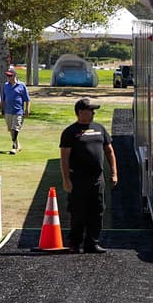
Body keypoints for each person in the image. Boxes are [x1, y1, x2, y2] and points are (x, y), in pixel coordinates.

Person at [59, 97, 118, 254]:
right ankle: (75, 243)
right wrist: (66, 180)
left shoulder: (100, 129)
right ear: (80, 112)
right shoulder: (70, 132)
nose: (93, 113)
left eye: (93, 111)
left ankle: (92, 242)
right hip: (77, 178)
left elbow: (109, 151)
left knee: (97, 210)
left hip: (97, 178)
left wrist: (114, 173)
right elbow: (64, 158)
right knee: (78, 212)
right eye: (90, 110)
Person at [0, 67, 31, 154]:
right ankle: (18, 145)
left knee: (15, 128)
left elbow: (27, 99)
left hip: (18, 111)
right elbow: (3, 99)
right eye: (7, 75)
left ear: (15, 75)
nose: (8, 77)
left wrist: (27, 109)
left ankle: (14, 146)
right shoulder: (6, 86)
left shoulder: (21, 85)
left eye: (10, 75)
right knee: (11, 130)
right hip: (8, 111)